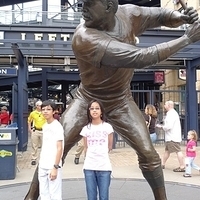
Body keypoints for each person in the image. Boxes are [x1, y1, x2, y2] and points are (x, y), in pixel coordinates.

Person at [25, 1, 200, 199]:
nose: (83, 9)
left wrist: (180, 18)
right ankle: (31, 196)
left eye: (90, 5)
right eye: (83, 3)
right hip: (87, 98)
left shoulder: (130, 14)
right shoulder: (83, 37)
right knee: (55, 149)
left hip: (120, 99)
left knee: (149, 154)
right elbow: (140, 58)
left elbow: (159, 15)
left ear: (109, 7)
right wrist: (187, 38)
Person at [80, 99, 113, 200]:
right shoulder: (86, 129)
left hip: (104, 167)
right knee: (91, 197)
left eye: (97, 108)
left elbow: (109, 146)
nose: (95, 111)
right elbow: (85, 147)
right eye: (92, 108)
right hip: (89, 167)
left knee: (104, 197)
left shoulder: (107, 127)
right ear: (89, 111)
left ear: (101, 111)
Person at [39, 100, 64, 200]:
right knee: (44, 194)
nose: (45, 111)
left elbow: (60, 148)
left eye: (48, 109)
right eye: (43, 109)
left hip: (52, 165)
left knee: (55, 195)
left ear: (54, 111)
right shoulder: (45, 126)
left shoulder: (57, 126)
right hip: (43, 164)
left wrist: (55, 167)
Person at [157, 100, 185, 172]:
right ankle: (162, 164)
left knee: (178, 150)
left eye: (165, 104)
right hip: (172, 136)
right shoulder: (172, 113)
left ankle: (182, 166)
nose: (164, 106)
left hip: (172, 137)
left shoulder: (171, 114)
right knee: (167, 150)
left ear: (169, 106)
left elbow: (168, 126)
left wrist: (161, 127)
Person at [28, 100, 46, 165]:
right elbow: (29, 121)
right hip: (35, 130)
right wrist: (30, 129)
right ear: (37, 106)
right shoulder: (32, 113)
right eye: (40, 106)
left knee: (44, 145)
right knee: (34, 145)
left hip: (43, 130)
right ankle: (34, 158)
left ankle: (43, 158)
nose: (41, 107)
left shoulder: (44, 113)